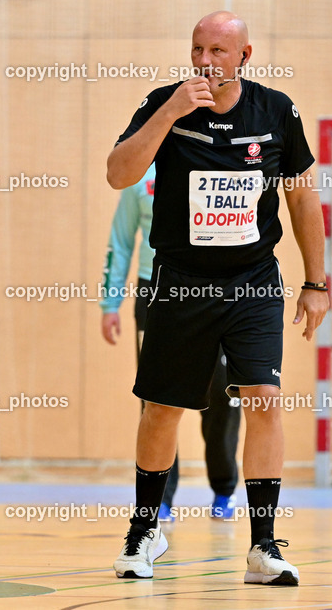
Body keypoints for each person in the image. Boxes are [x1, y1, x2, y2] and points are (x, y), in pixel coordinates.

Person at [107, 11, 328, 586]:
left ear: (244, 56)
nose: (205, 62)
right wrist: (171, 112)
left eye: (218, 51)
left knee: (264, 399)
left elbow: (303, 200)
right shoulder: (165, 103)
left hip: (253, 282)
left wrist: (316, 283)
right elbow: (118, 173)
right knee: (162, 408)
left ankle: (262, 545)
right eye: (198, 50)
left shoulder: (277, 111)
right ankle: (143, 530)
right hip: (181, 282)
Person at [99, 162, 240, 526]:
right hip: (156, 293)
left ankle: (224, 489)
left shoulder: (213, 167)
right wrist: (110, 303)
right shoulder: (140, 180)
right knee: (158, 399)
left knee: (224, 395)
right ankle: (161, 496)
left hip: (215, 290)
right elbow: (120, 239)